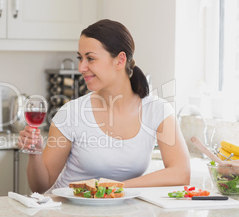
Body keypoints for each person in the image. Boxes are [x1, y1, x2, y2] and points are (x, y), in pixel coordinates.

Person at [18, 19, 191, 193]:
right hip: (70, 214)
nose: (81, 67)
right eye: (80, 58)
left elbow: (181, 173)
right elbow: (40, 186)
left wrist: (113, 189)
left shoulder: (157, 110)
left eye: (90, 58)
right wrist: (35, 154)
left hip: (124, 214)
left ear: (120, 60)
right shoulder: (71, 113)